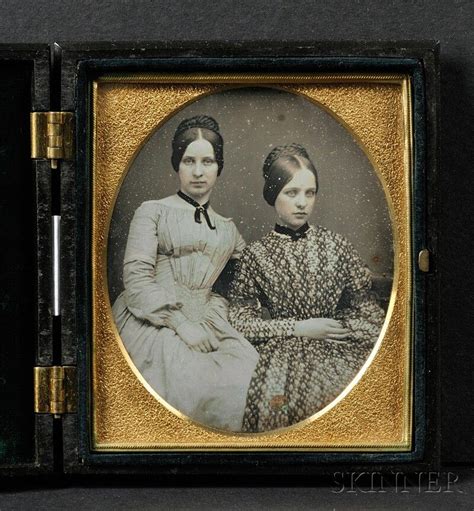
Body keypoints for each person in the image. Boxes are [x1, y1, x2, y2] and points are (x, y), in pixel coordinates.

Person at [112, 115, 258, 432]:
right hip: (154, 320)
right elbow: (136, 280)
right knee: (188, 381)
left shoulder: (228, 229)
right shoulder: (152, 211)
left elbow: (254, 275)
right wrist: (181, 325)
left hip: (208, 318)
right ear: (177, 164)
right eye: (189, 160)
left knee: (248, 373)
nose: (198, 171)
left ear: (219, 167)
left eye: (207, 161)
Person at [228, 143, 386, 433]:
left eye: (309, 193)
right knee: (281, 405)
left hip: (336, 344)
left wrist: (339, 329)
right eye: (291, 193)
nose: (302, 203)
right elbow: (239, 321)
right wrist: (299, 328)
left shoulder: (337, 245)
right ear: (273, 195)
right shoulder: (256, 254)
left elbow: (369, 312)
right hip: (284, 353)